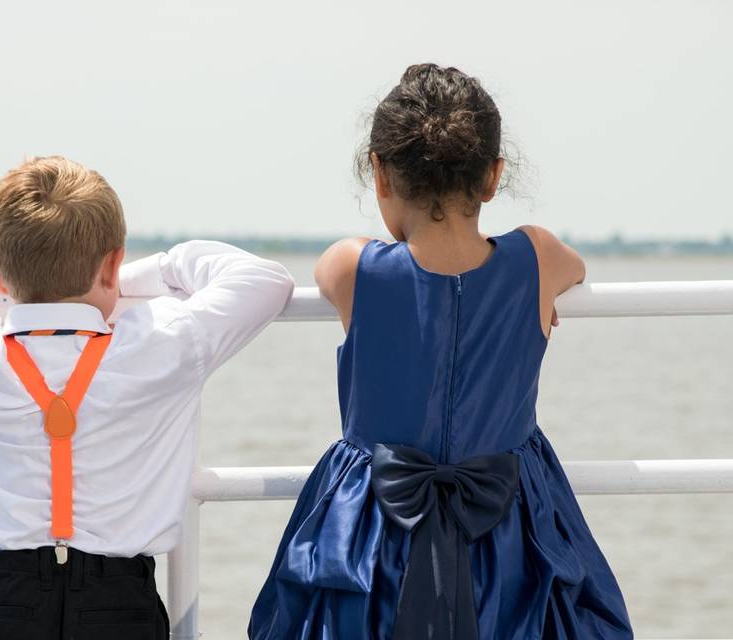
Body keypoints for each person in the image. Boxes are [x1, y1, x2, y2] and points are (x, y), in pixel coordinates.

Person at [249, 64, 632, 639]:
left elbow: (329, 273)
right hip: (509, 524)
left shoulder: (354, 266)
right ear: (493, 176)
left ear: (379, 173)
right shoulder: (538, 257)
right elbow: (574, 267)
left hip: (375, 532)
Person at [0, 156, 294, 639]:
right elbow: (263, 280)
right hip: (122, 604)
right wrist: (147, 273)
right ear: (113, 263)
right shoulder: (162, 341)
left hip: (4, 601)